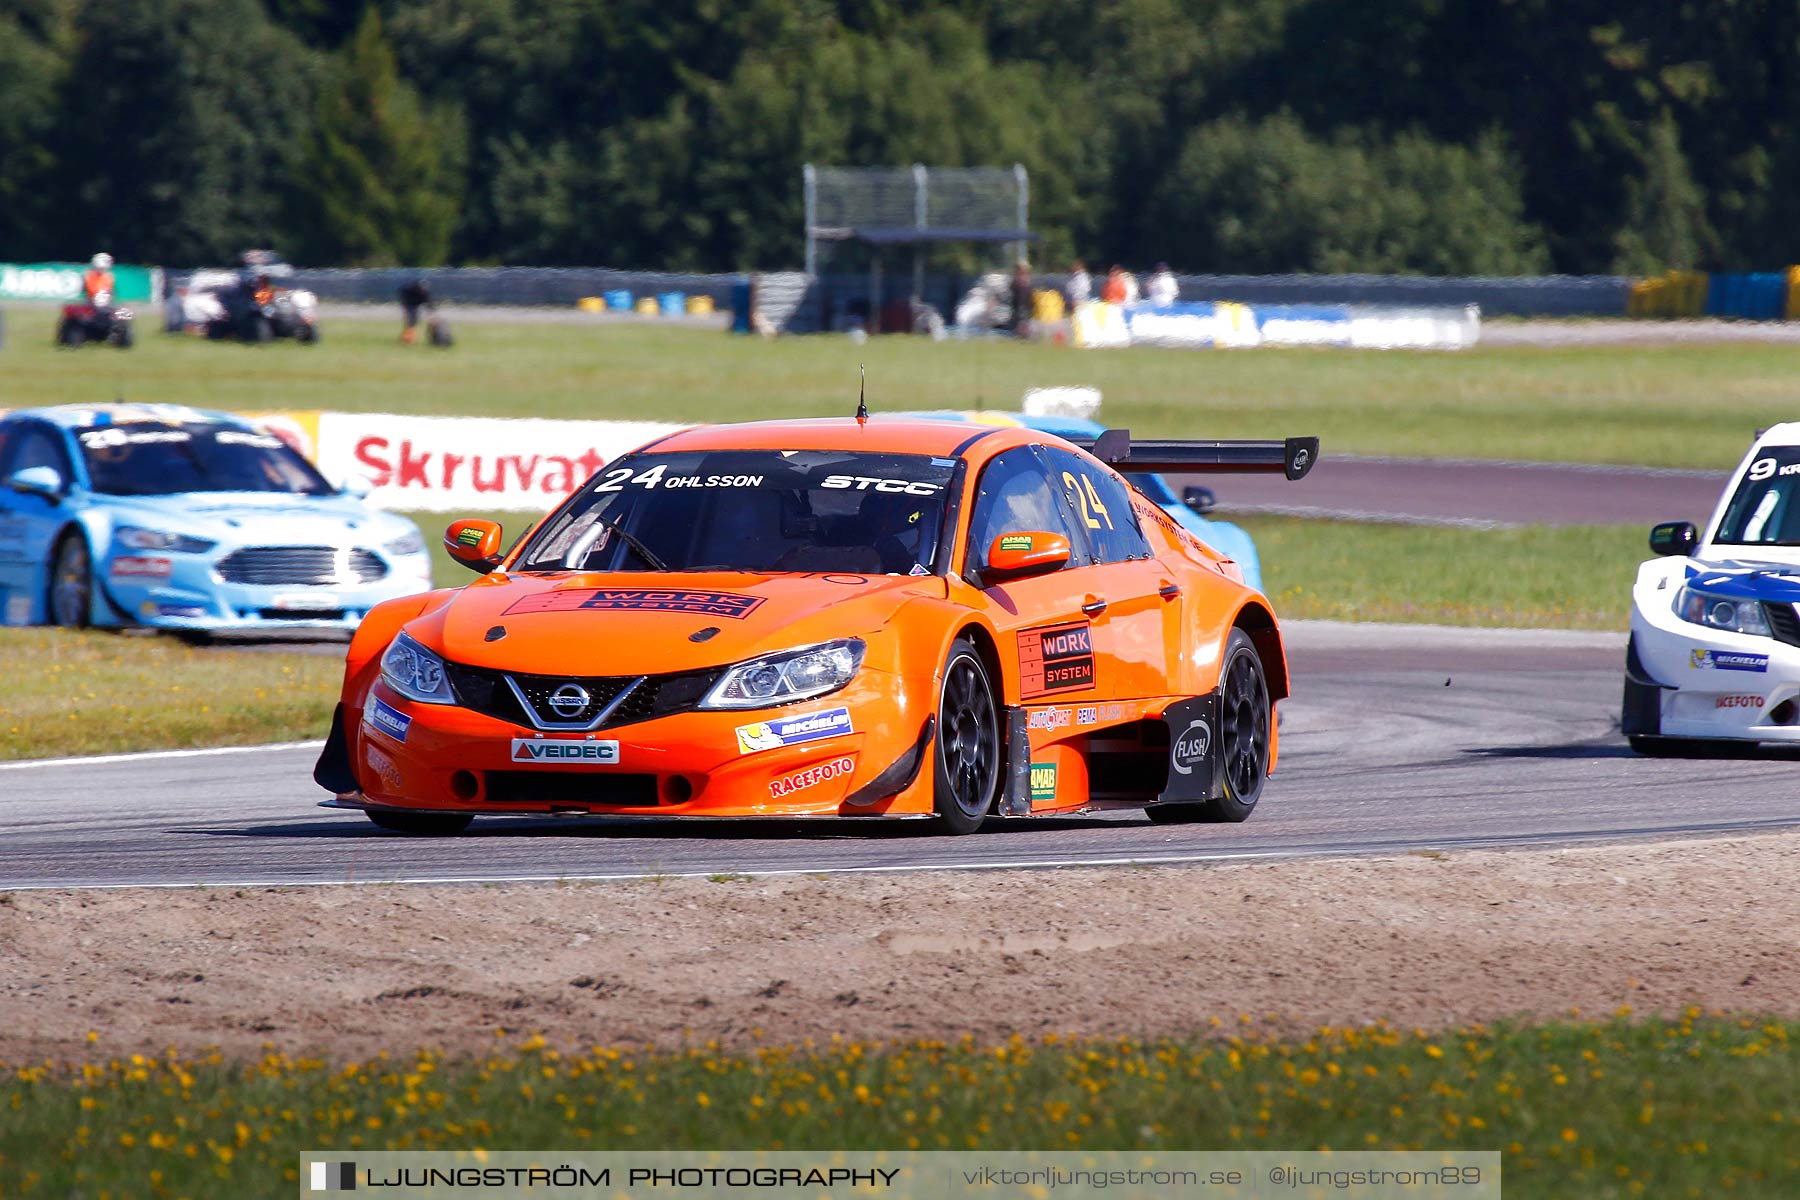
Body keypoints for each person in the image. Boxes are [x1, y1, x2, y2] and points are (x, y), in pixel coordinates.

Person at [399, 278, 431, 344]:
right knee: (410, 321)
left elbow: (428, 302)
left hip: (415, 305)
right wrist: (404, 304)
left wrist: (431, 312)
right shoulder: (408, 289)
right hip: (408, 305)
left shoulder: (424, 292)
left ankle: (408, 337)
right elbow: (402, 294)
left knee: (414, 321)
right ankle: (408, 338)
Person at [1009, 260, 1033, 337]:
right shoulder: (1016, 282)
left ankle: (1022, 332)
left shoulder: (1025, 282)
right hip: (1018, 309)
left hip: (1024, 309)